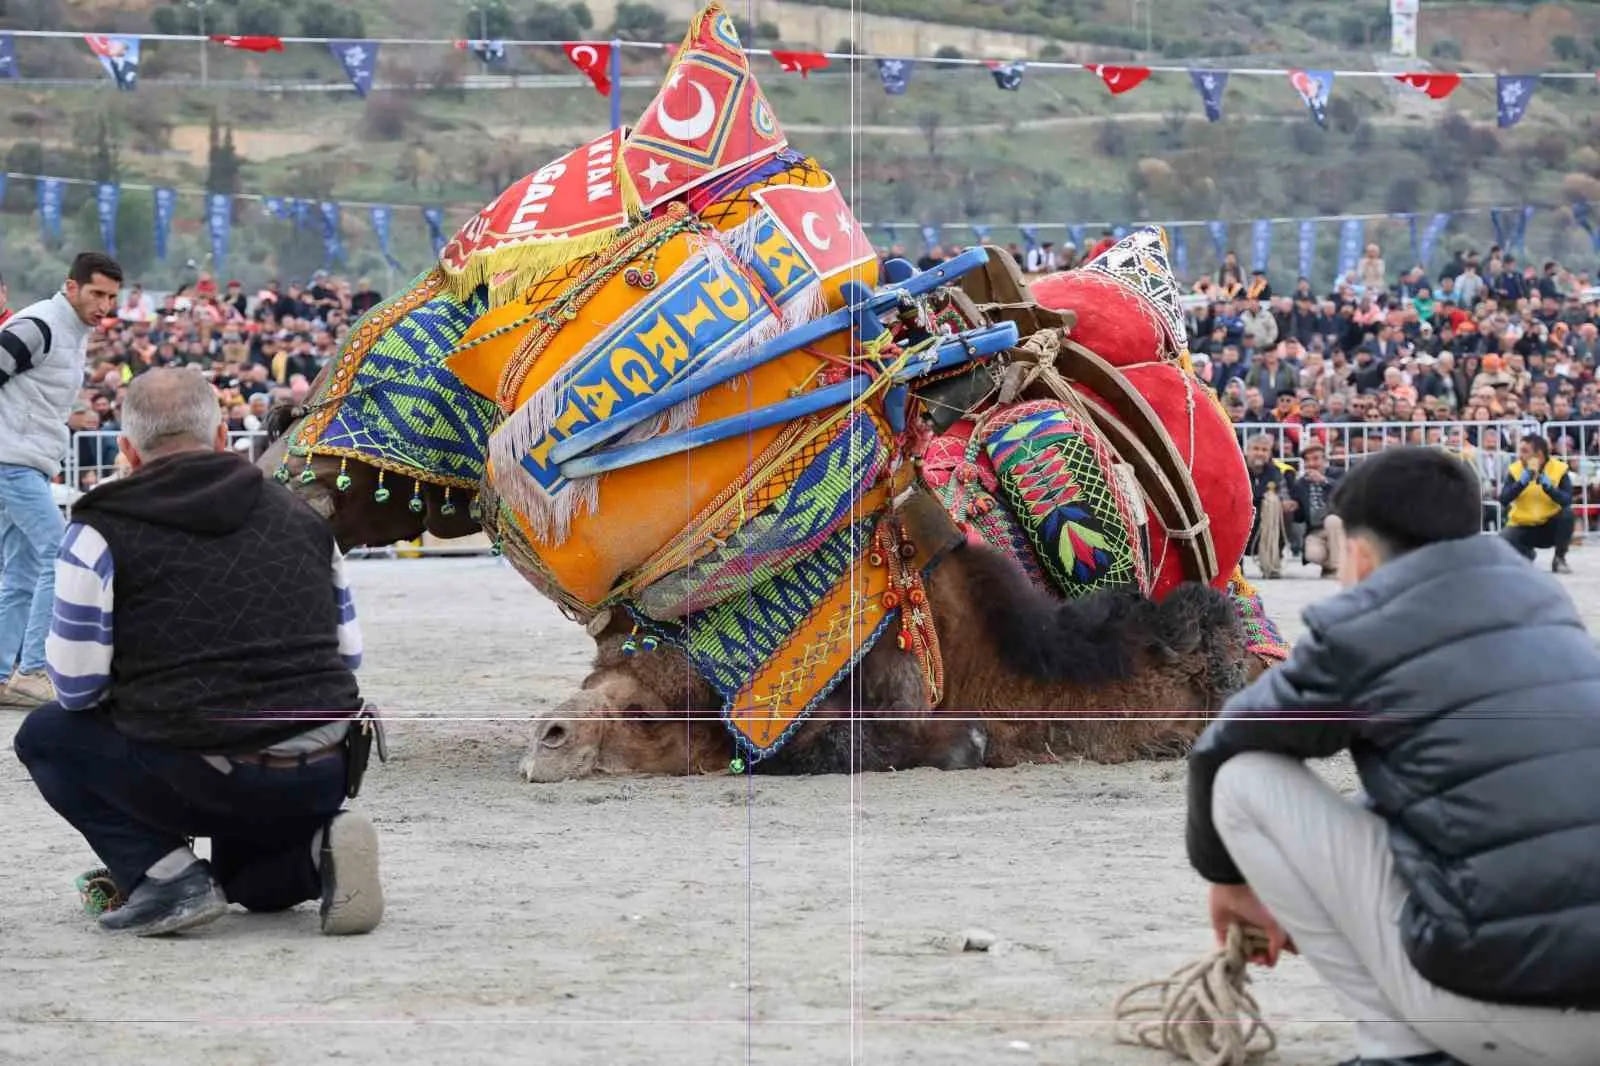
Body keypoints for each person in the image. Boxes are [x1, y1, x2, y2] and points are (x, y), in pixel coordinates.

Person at [1185, 447, 1600, 1066]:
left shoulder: (1363, 626)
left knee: (1246, 780)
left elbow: (1221, 748)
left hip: (1504, 1021)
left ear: (1359, 553)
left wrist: (1229, 882)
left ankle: (1397, 1045)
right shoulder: (1545, 606)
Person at [12, 367, 385, 938]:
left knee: (46, 736)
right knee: (250, 888)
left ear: (128, 452)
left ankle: (167, 876)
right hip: (321, 767)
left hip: (200, 769)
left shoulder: (99, 528)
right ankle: (319, 848)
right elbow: (348, 656)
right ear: (219, 439)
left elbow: (76, 686)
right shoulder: (304, 517)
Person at [0, 252, 123, 708]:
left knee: (22, 569)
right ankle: (31, 671)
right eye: (96, 293)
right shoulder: (40, 325)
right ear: (71, 287)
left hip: (23, 461)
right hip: (10, 461)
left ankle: (3, 675)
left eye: (111, 297)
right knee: (60, 556)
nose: (104, 305)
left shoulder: (73, 332)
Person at [1498, 433, 1574, 574]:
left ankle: (1559, 559)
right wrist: (1520, 484)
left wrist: (1550, 489)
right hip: (1523, 525)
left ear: (1538, 454)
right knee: (1503, 539)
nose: (1520, 455)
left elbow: (1567, 500)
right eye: (1520, 450)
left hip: (1549, 526)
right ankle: (1526, 555)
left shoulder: (1559, 468)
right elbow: (1504, 499)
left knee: (1567, 514)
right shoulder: (1515, 469)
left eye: (1525, 451)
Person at [1288, 441, 1343, 577]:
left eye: (1316, 458)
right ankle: (1328, 566)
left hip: (1339, 527)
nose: (1311, 463)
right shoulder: (1300, 484)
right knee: (1313, 555)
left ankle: (1338, 568)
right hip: (1316, 530)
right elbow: (1299, 518)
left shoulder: (1338, 474)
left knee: (1333, 520)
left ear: (1325, 460)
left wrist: (1324, 481)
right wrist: (1292, 508)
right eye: (1307, 460)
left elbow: (1347, 491)